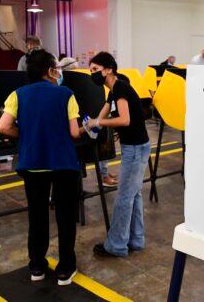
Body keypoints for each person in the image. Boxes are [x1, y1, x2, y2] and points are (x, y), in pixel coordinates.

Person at [0, 49, 82, 286]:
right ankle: (65, 269)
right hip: (63, 164)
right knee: (65, 216)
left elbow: (2, 127)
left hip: (33, 164)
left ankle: (37, 267)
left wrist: (24, 134)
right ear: (50, 70)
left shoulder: (18, 95)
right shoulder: (66, 94)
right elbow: (74, 132)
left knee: (37, 216)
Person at [86, 52, 151, 257]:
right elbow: (99, 117)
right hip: (136, 147)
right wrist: (83, 127)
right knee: (134, 194)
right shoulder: (114, 89)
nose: (92, 74)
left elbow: (124, 120)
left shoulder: (120, 87)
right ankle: (136, 240)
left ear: (108, 69)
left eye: (95, 70)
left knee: (124, 197)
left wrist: (97, 123)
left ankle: (116, 245)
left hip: (135, 148)